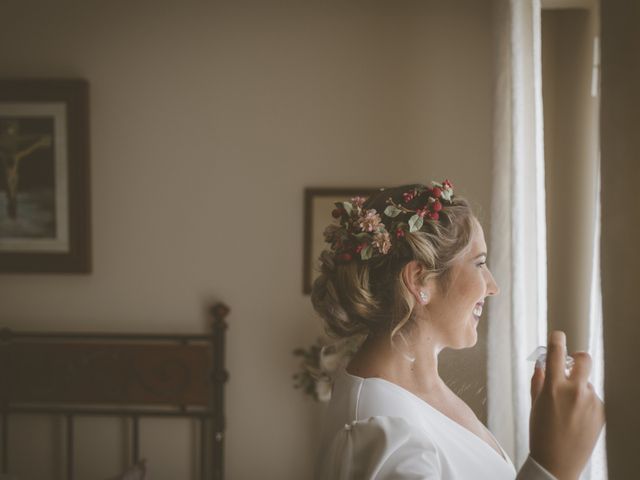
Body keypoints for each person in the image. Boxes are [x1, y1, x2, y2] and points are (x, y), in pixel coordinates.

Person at [311, 181, 605, 480]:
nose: (492, 287)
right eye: (479, 263)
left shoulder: (420, 391)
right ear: (420, 279)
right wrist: (552, 466)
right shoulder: (381, 432)